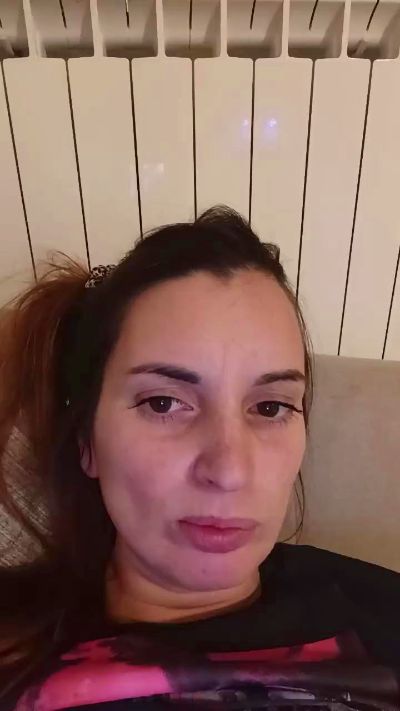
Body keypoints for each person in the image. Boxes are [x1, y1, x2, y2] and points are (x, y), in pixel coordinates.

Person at [0, 206, 399, 711]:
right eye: (163, 404)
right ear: (87, 441)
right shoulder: (16, 644)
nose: (229, 472)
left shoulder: (379, 607)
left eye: (270, 407)